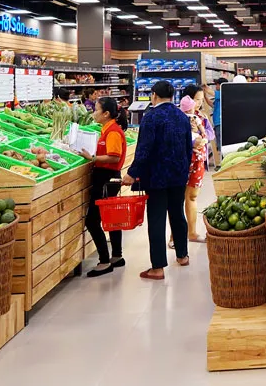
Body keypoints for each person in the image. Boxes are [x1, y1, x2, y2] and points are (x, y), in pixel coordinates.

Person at [122, 80, 193, 280]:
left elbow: (144, 150)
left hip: (156, 177)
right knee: (178, 214)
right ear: (172, 96)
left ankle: (158, 267)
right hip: (178, 175)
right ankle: (182, 255)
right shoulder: (182, 116)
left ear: (153, 95)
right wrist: (184, 169)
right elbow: (188, 148)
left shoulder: (151, 117)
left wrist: (132, 173)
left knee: (157, 219)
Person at [81, 97, 128, 277]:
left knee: (92, 221)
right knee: (112, 217)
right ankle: (117, 256)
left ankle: (104, 261)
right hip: (107, 177)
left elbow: (114, 157)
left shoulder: (113, 132)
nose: (94, 113)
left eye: (96, 109)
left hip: (106, 178)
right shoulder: (106, 129)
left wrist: (92, 158)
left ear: (106, 113)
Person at [174, 91, 208, 244]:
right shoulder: (177, 118)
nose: (199, 103)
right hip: (182, 160)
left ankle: (192, 233)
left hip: (198, 161)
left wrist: (202, 139)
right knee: (178, 198)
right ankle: (174, 236)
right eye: (197, 99)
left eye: (201, 100)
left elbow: (208, 135)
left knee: (192, 196)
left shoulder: (200, 117)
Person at [213, 77, 227, 152]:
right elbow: (212, 105)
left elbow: (212, 93)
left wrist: (205, 88)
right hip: (217, 121)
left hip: (220, 121)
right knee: (218, 139)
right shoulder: (218, 96)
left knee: (220, 139)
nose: (216, 86)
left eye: (217, 84)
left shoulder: (222, 93)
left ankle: (222, 154)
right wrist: (204, 96)